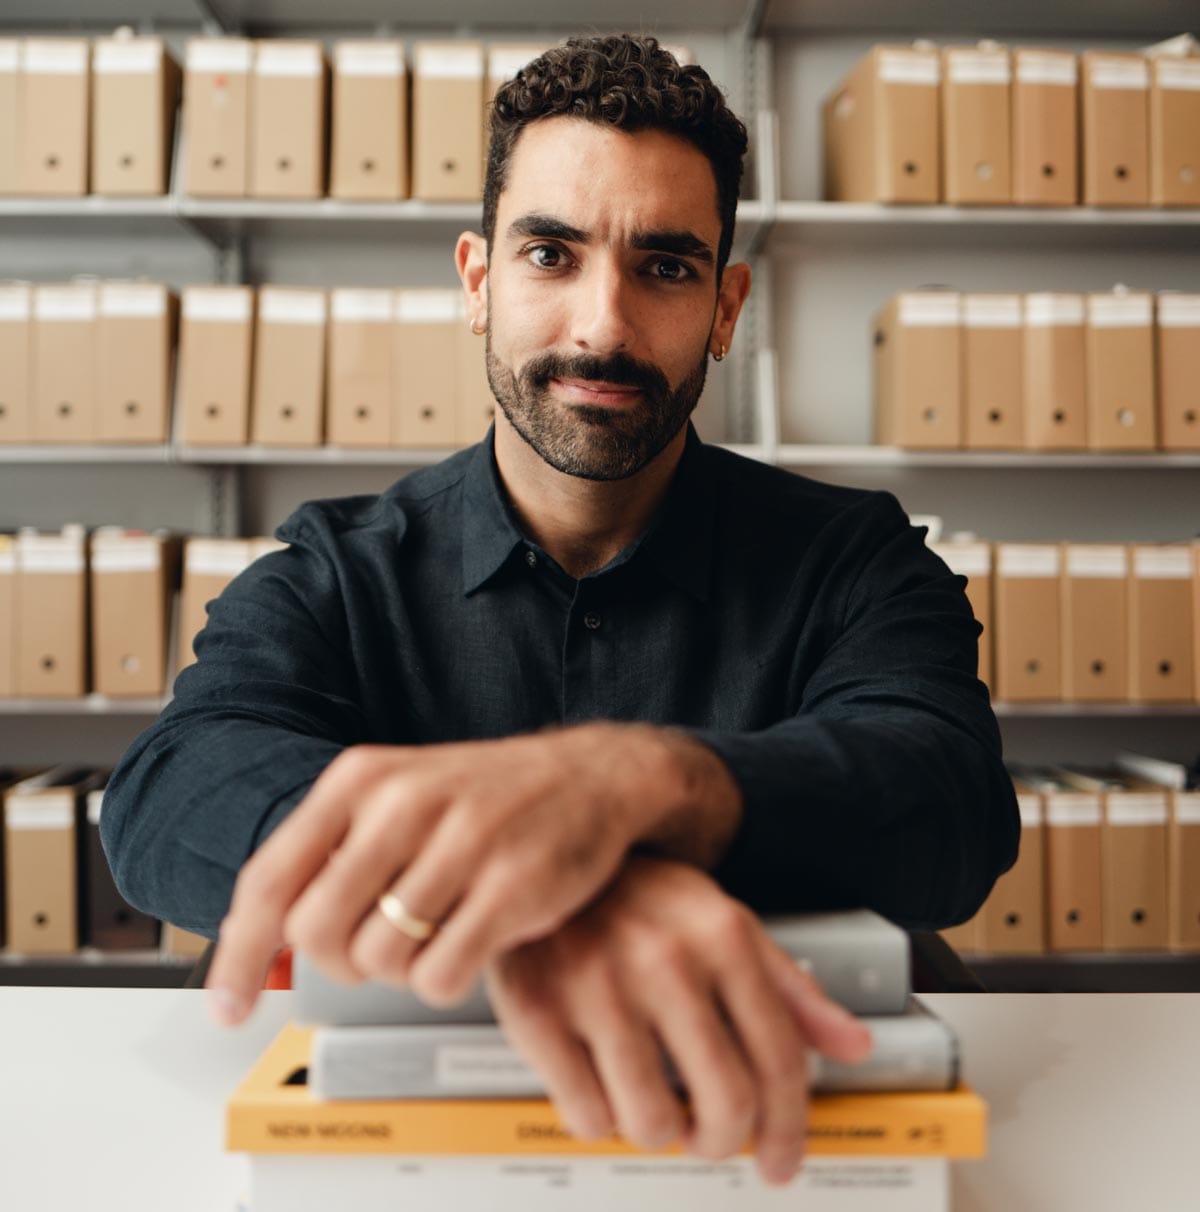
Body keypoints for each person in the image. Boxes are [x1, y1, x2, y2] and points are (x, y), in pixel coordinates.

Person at [101, 34, 1018, 1186]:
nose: (602, 326)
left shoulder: (852, 559)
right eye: (551, 253)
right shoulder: (340, 568)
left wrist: (646, 783)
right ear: (480, 282)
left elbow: (949, 802)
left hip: (758, 1147)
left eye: (668, 267)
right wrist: (538, 891)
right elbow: (168, 791)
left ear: (727, 306)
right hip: (411, 1151)